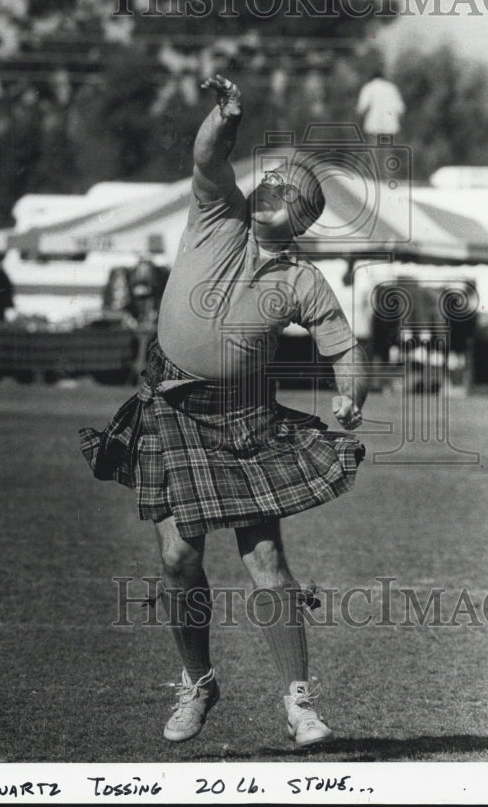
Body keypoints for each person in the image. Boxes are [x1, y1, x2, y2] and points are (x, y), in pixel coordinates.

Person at [79, 75, 368, 748]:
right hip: (174, 409)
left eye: (290, 191)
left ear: (305, 217)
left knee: (265, 556)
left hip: (245, 422)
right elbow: (209, 156)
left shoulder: (302, 280)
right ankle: (198, 681)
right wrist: (226, 115)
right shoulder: (217, 215)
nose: (273, 190)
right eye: (270, 181)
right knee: (179, 554)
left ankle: (299, 703)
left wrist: (352, 393)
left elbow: (343, 347)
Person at [355, 66, 405, 143]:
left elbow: (361, 109)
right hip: (390, 125)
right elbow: (401, 109)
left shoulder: (368, 87)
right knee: (388, 152)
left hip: (373, 125)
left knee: (373, 151)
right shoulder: (392, 88)